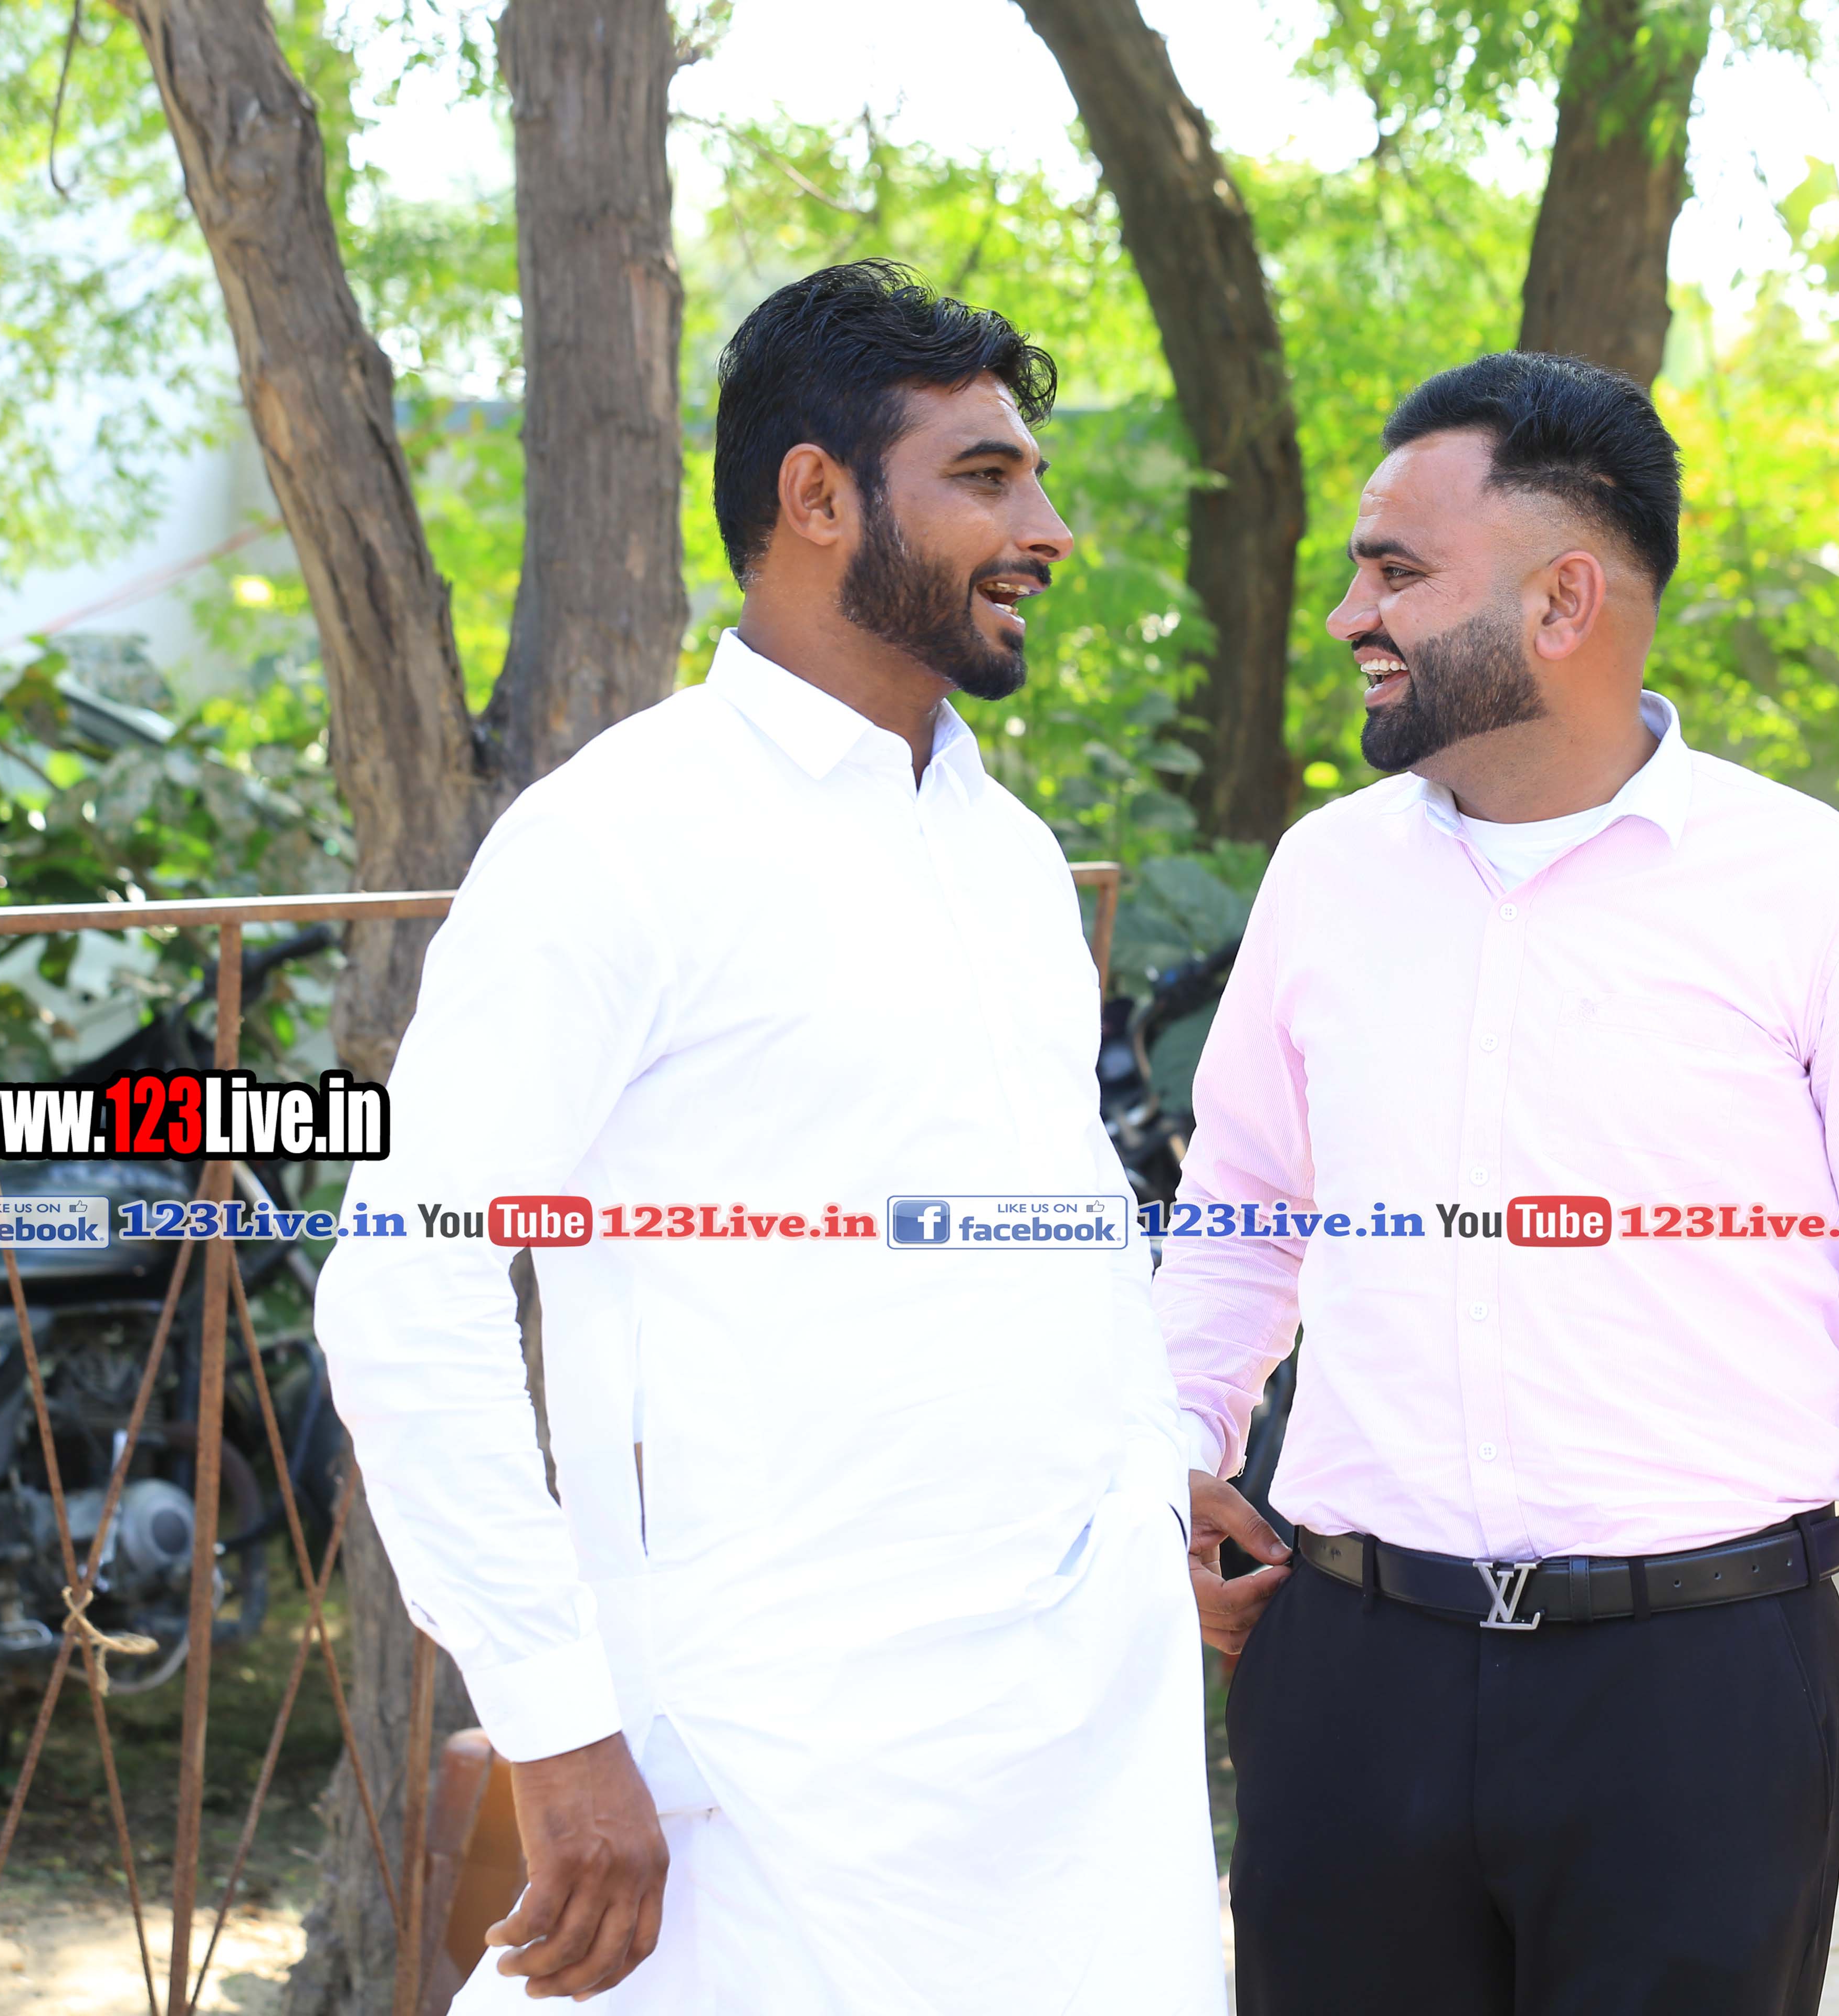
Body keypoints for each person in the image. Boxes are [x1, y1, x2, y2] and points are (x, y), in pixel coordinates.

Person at [313, 260, 1221, 2014]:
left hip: (1075, 1757)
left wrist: (1155, 1470)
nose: (1045, 530)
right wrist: (556, 1724)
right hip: (767, 1765)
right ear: (817, 496)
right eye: (985, 478)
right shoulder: (619, 842)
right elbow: (405, 1292)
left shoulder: (1006, 852)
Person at [1164, 350, 1839, 2015]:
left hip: (1698, 1704)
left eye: (1397, 572)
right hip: (1347, 1676)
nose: (1352, 615)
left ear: (1565, 598)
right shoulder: (1327, 877)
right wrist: (1174, 1461)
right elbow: (1242, 1215)